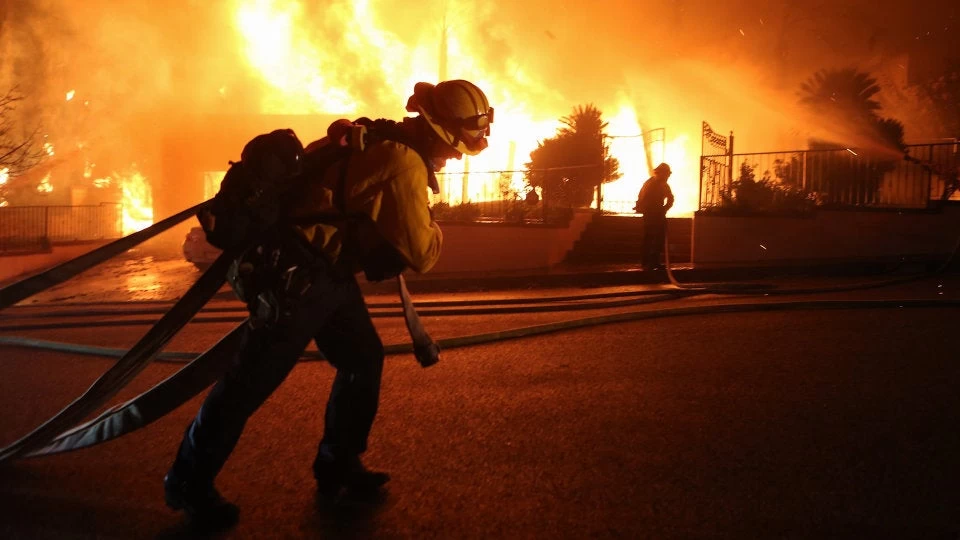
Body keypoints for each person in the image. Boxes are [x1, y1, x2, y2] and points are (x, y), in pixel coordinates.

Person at [163, 79, 494, 528]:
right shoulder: (404, 164)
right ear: (439, 131)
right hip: (297, 280)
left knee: (363, 358)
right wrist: (432, 227)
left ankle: (339, 465)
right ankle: (188, 481)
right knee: (248, 384)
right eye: (456, 147)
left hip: (325, 273)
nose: (456, 155)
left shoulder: (379, 137)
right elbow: (423, 254)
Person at [634, 162, 674, 271]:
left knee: (652, 238)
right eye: (667, 174)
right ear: (661, 173)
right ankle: (651, 262)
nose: (668, 176)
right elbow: (670, 198)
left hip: (652, 214)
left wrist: (664, 209)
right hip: (654, 215)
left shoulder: (651, 183)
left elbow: (670, 198)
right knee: (655, 238)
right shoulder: (658, 183)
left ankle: (648, 262)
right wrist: (663, 209)